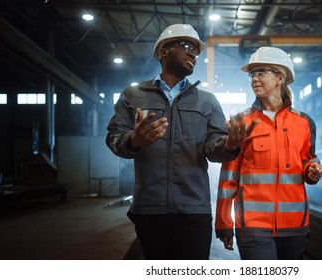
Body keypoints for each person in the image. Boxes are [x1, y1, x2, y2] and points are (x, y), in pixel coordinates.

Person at [105, 24, 254, 260]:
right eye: (186, 46)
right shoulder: (134, 96)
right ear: (164, 50)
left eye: (196, 50)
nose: (193, 53)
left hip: (194, 210)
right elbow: (114, 138)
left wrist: (229, 145)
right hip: (149, 209)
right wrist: (134, 140)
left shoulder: (207, 101)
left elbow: (213, 147)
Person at [215, 46, 322, 260]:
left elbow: (307, 160)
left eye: (260, 72)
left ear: (280, 78)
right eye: (252, 74)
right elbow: (228, 178)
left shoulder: (304, 122)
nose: (254, 79)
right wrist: (223, 224)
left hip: (295, 225)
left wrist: (312, 169)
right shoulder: (242, 122)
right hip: (253, 226)